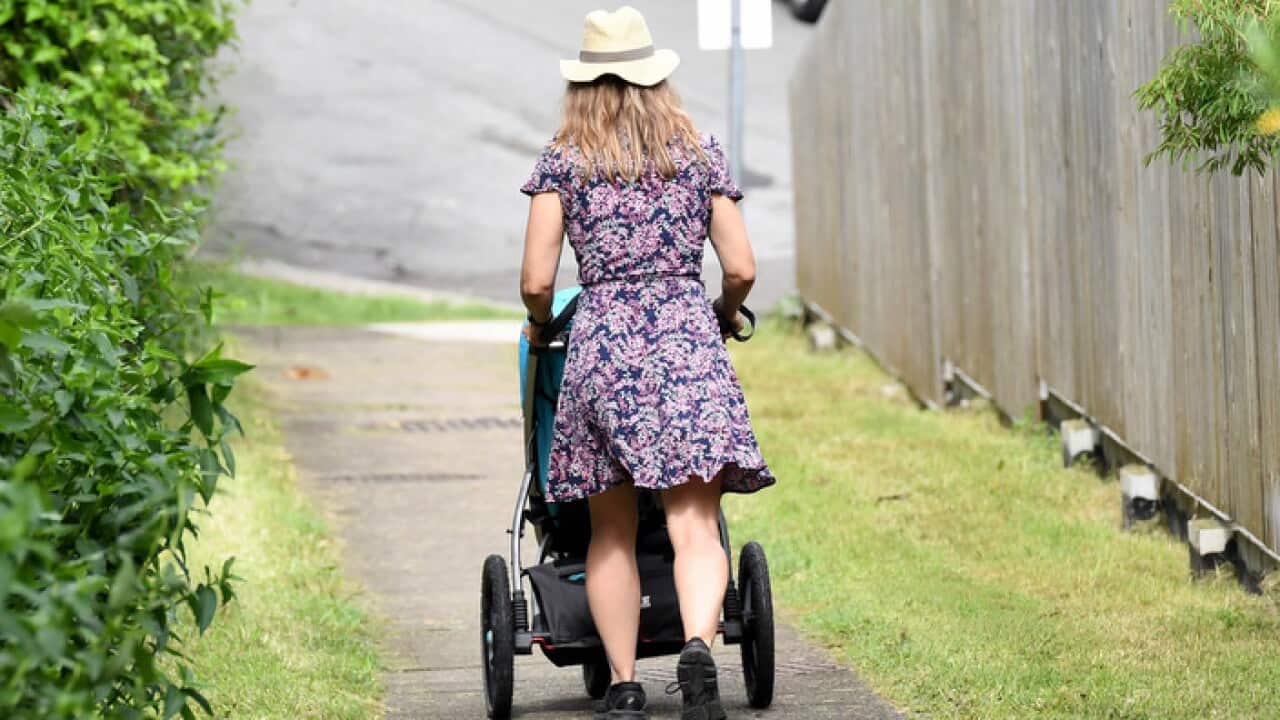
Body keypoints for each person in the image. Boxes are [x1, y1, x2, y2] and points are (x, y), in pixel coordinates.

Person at [519, 7, 775, 719]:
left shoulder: (563, 161)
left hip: (602, 346)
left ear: (583, 85)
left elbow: (538, 281)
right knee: (694, 522)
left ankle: (626, 686)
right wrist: (722, 312)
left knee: (611, 529)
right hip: (686, 342)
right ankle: (696, 646)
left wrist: (542, 330)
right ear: (655, 79)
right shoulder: (698, 154)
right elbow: (744, 266)